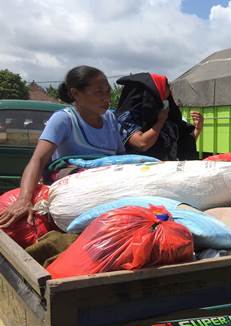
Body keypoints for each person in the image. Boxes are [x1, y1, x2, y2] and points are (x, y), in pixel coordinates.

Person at [0, 65, 124, 228]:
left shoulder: (110, 119)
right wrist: (24, 199)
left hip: (109, 190)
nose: (106, 97)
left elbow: (123, 159)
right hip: (77, 195)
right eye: (99, 92)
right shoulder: (64, 120)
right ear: (75, 94)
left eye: (108, 91)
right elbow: (39, 159)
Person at [115, 72, 203, 161]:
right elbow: (142, 144)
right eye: (167, 87)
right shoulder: (127, 117)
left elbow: (184, 143)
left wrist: (198, 128)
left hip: (168, 171)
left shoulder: (169, 117)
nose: (170, 91)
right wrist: (160, 121)